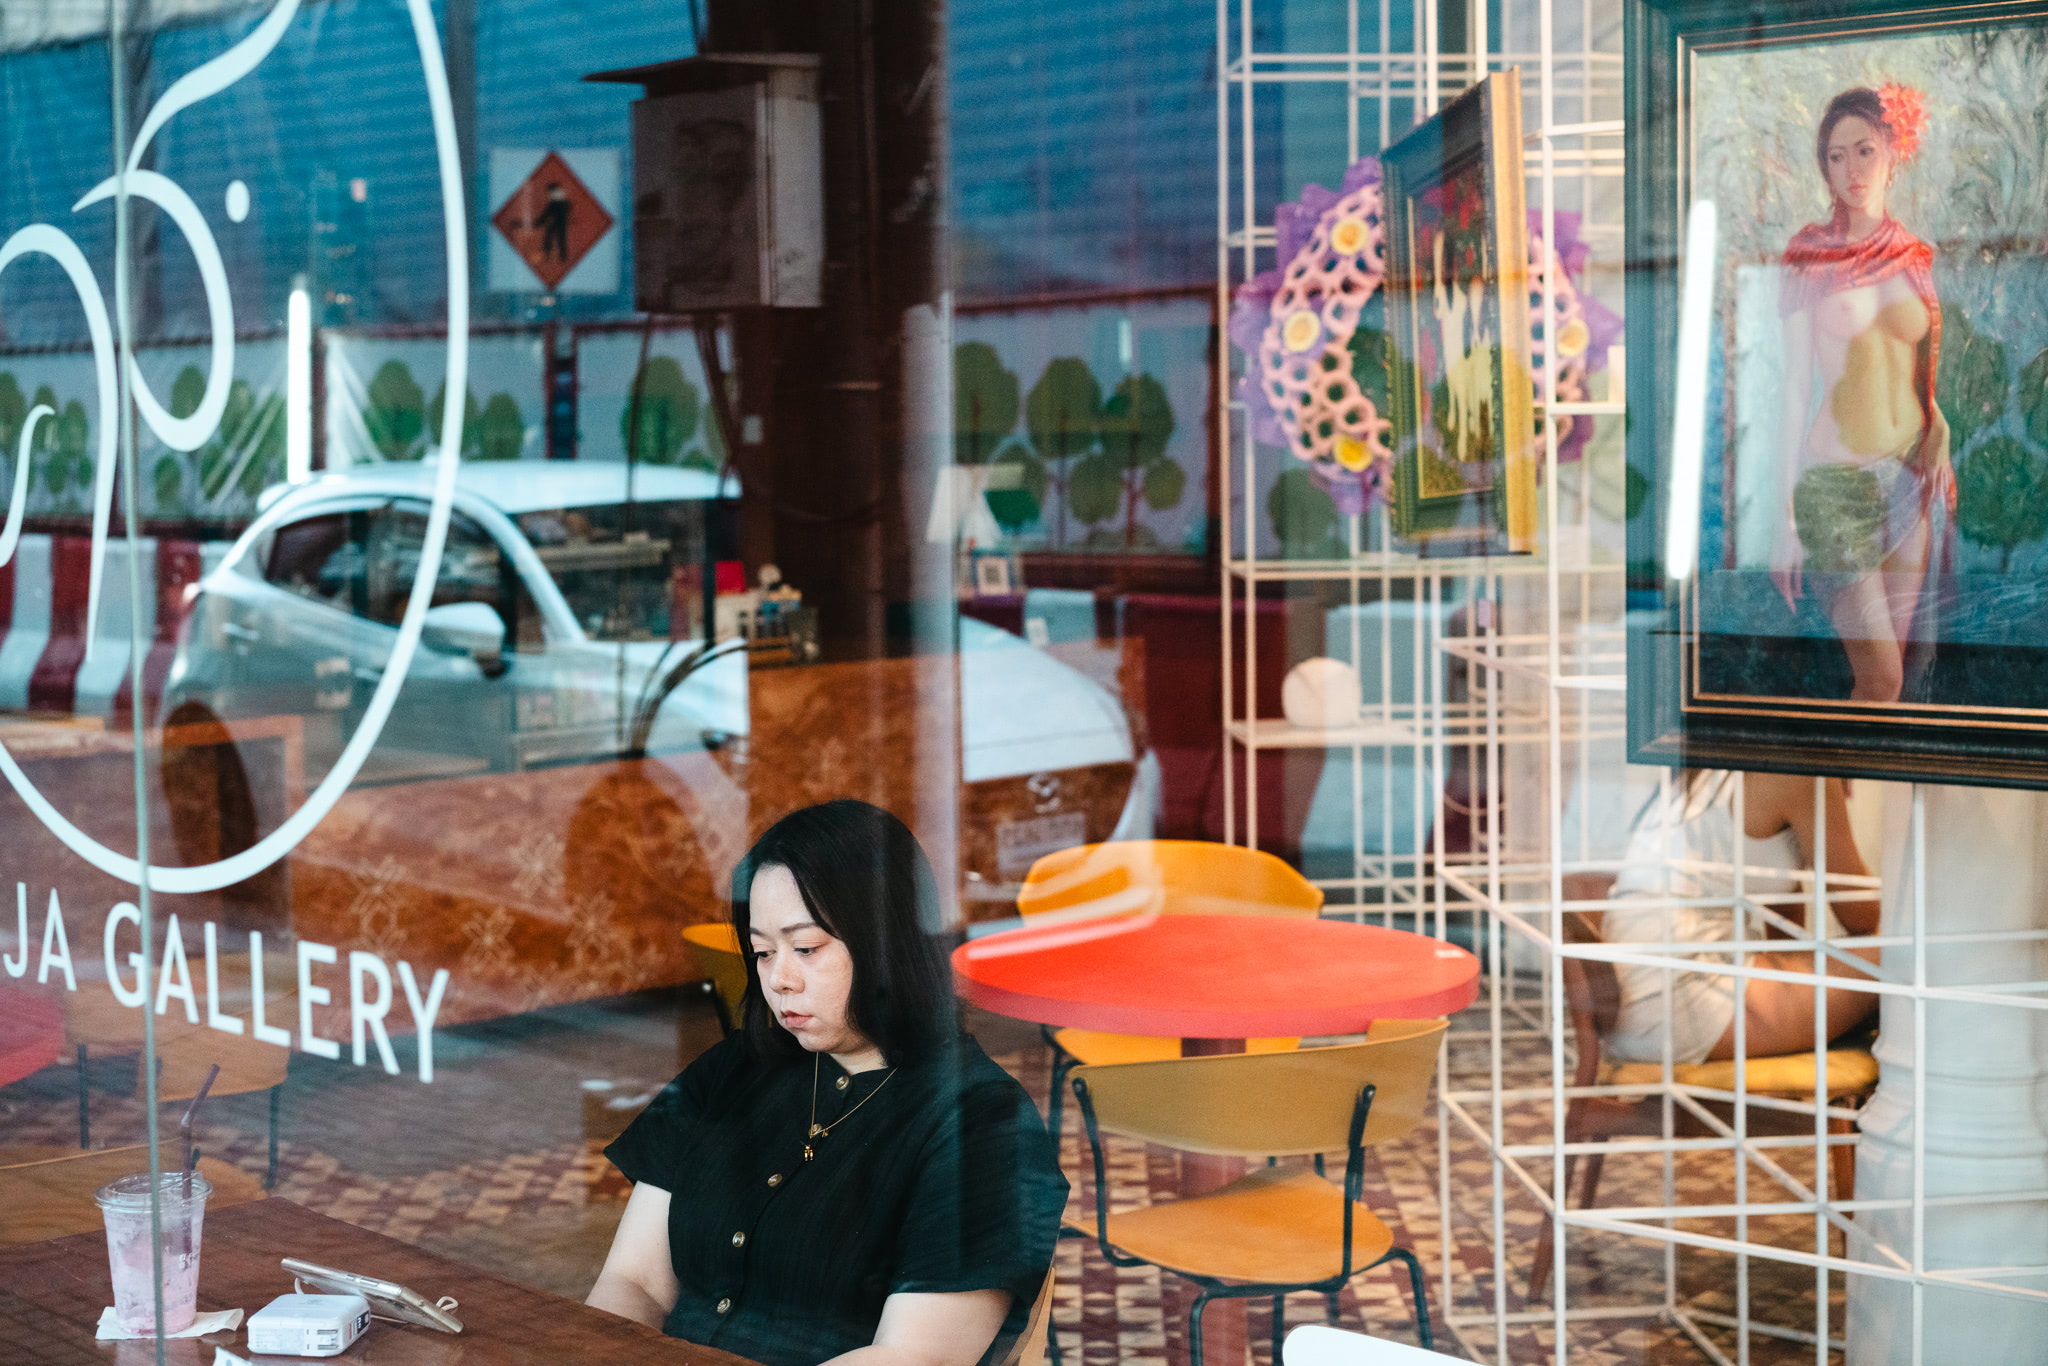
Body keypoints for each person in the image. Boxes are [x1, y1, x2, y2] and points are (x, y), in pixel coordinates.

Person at [586, 800, 1067, 1366]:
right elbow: (635, 1281)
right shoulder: (734, 1069)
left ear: (888, 943)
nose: (779, 979)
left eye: (807, 949)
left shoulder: (982, 1124)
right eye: (763, 952)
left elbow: (913, 1357)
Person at [1771, 84, 1953, 704]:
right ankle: (1819, 768)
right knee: (1881, 679)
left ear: (1892, 154)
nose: (1851, 169)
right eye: (1836, 156)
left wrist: (1939, 428)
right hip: (1835, 488)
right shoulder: (1809, 255)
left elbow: (1913, 372)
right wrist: (1784, 519)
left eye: (1865, 150)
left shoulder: (1912, 256)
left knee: (1893, 686)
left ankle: (1857, 773)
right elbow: (1794, 389)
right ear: (1824, 167)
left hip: (1908, 477)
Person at [1593, 770, 1880, 1065]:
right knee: (1896, 954)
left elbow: (1785, 911)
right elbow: (1862, 917)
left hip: (1631, 1004)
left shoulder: (1709, 769)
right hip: (1675, 1000)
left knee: (1862, 965)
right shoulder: (1801, 770)